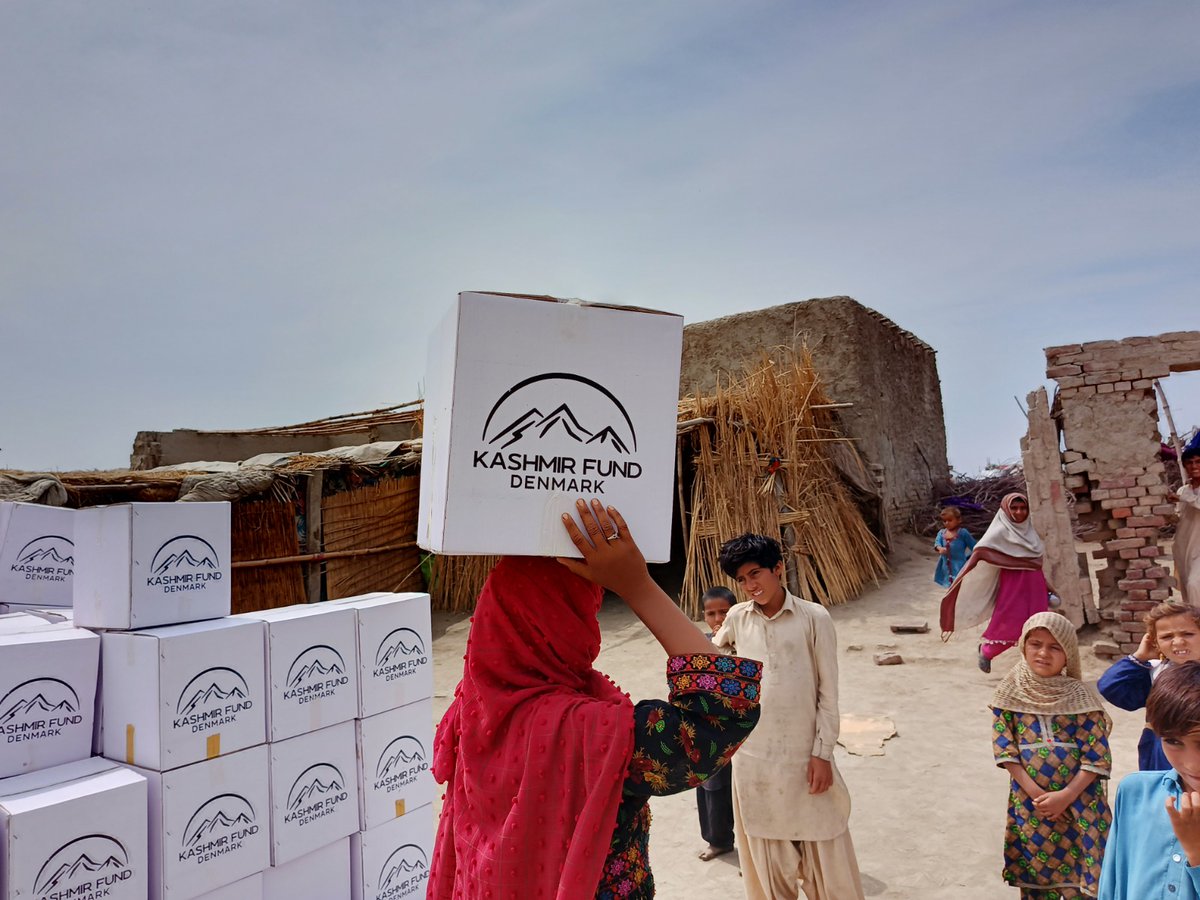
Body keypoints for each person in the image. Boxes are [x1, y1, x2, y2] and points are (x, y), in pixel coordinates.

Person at [429, 500, 763, 899]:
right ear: (568, 626)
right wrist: (638, 587)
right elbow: (723, 714)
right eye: (585, 609)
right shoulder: (599, 736)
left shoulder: (470, 711)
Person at [712, 532, 865, 900]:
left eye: (756, 574)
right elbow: (713, 659)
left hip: (804, 756)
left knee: (829, 864)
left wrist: (822, 754)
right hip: (754, 762)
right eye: (742, 579)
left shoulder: (814, 617)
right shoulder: (736, 617)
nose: (750, 585)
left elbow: (828, 693)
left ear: (778, 568)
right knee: (768, 870)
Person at [991, 611, 1112, 898]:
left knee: (1080, 882)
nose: (1043, 653)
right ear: (1023, 646)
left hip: (1081, 805)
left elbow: (1096, 757)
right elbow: (1005, 751)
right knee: (1036, 880)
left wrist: (1066, 796)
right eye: (1036, 644)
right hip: (1032, 808)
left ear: (1068, 653)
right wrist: (1039, 798)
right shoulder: (1009, 694)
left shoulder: (1081, 698)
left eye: (1055, 646)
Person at [1098, 660, 1200, 899]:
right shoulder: (1134, 792)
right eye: (1173, 741)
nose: (1192, 764)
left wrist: (1196, 853)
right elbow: (1112, 883)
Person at [940, 492, 1053, 673]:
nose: (1019, 512)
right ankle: (987, 651)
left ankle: (1033, 668)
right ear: (1006, 510)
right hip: (1013, 586)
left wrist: (1048, 586)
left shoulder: (1032, 532)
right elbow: (981, 551)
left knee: (1039, 623)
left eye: (1023, 508)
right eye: (1014, 508)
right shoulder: (999, 532)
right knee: (1010, 621)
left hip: (1035, 585)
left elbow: (1037, 566)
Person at [1098, 600, 1200, 770]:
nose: (1178, 642)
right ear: (1154, 642)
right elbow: (1110, 687)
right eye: (1167, 637)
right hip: (1160, 754)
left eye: (1188, 634)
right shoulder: (1155, 674)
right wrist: (1140, 656)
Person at [696, 586, 738, 862]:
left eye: (724, 611)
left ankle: (753, 847)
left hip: (742, 726)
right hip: (710, 726)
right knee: (711, 784)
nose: (718, 618)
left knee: (742, 788)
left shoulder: (746, 642)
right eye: (711, 613)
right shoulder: (700, 643)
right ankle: (718, 839)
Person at [1172, 436, 1200, 605]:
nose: (1194, 466)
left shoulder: (1183, 494)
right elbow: (1179, 517)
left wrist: (1181, 498)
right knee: (1187, 592)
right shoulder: (1183, 490)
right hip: (1184, 548)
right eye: (1190, 463)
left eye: (1198, 462)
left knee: (1194, 584)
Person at [933, 505, 976, 588]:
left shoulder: (963, 533)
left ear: (958, 520)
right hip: (945, 566)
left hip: (959, 565)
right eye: (944, 521)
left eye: (950, 520)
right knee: (949, 585)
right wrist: (940, 548)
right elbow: (937, 543)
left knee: (959, 585)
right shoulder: (941, 533)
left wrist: (970, 558)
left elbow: (974, 546)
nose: (947, 523)